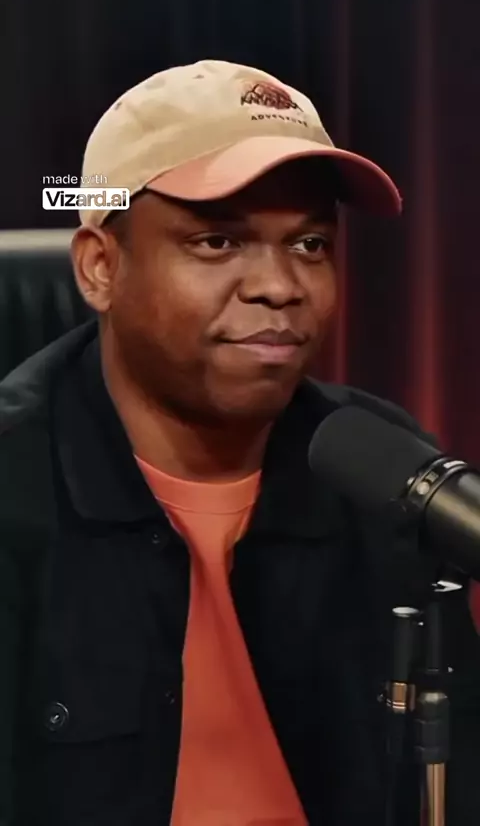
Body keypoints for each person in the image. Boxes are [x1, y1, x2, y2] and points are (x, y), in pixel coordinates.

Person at [0, 60, 465, 826]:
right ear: (100, 267)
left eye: (309, 244)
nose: (279, 286)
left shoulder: (385, 474)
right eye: (217, 241)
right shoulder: (15, 485)